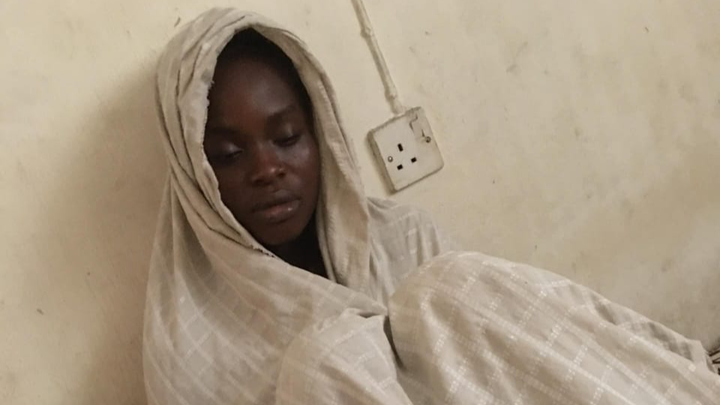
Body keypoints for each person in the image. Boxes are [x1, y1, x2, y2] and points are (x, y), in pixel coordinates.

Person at [144, 8, 719, 405]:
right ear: (195, 175)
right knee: (324, 362)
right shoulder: (190, 350)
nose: (267, 169)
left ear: (322, 135)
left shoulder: (404, 240)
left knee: (452, 285)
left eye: (288, 137)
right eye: (229, 154)